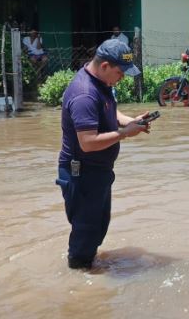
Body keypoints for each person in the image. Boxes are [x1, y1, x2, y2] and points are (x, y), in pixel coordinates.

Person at [56, 38, 152, 269]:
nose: (123, 77)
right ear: (105, 66)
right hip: (82, 173)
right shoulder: (84, 94)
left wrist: (131, 122)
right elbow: (88, 143)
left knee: (98, 227)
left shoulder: (101, 83)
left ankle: (88, 266)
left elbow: (109, 110)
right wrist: (125, 134)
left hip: (97, 171)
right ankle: (78, 282)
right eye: (121, 72)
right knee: (86, 233)